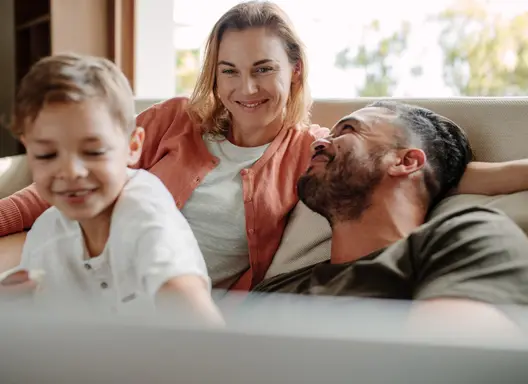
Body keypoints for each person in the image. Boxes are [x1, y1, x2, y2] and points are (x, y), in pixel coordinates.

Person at [1, 1, 528, 292]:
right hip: (75, 259)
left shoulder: (315, 151)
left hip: (164, 299)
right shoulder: (172, 119)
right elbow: (49, 191)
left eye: (263, 70)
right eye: (228, 71)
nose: (244, 90)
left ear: (294, 71)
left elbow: (447, 173)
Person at [253, 101, 528, 332]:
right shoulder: (273, 291)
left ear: (406, 162)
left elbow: (453, 365)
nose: (319, 144)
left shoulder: (464, 239)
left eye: (348, 129)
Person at [0, 54, 223, 325]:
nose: (70, 172)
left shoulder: (146, 217)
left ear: (132, 146)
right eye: (47, 155)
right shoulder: (47, 232)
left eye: (93, 151)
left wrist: (180, 296)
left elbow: (199, 321)